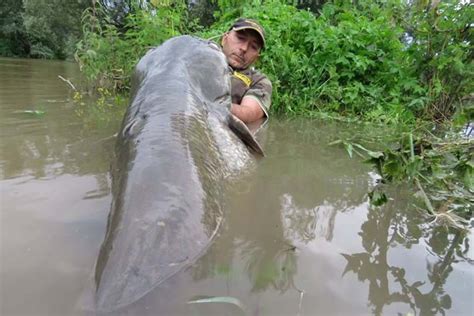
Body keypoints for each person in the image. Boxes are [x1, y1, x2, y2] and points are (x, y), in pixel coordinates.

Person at [220, 18, 272, 124]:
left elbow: (249, 113)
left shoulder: (259, 81)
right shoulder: (202, 56)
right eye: (240, 38)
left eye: (253, 47)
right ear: (224, 38)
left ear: (256, 57)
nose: (244, 48)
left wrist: (210, 104)